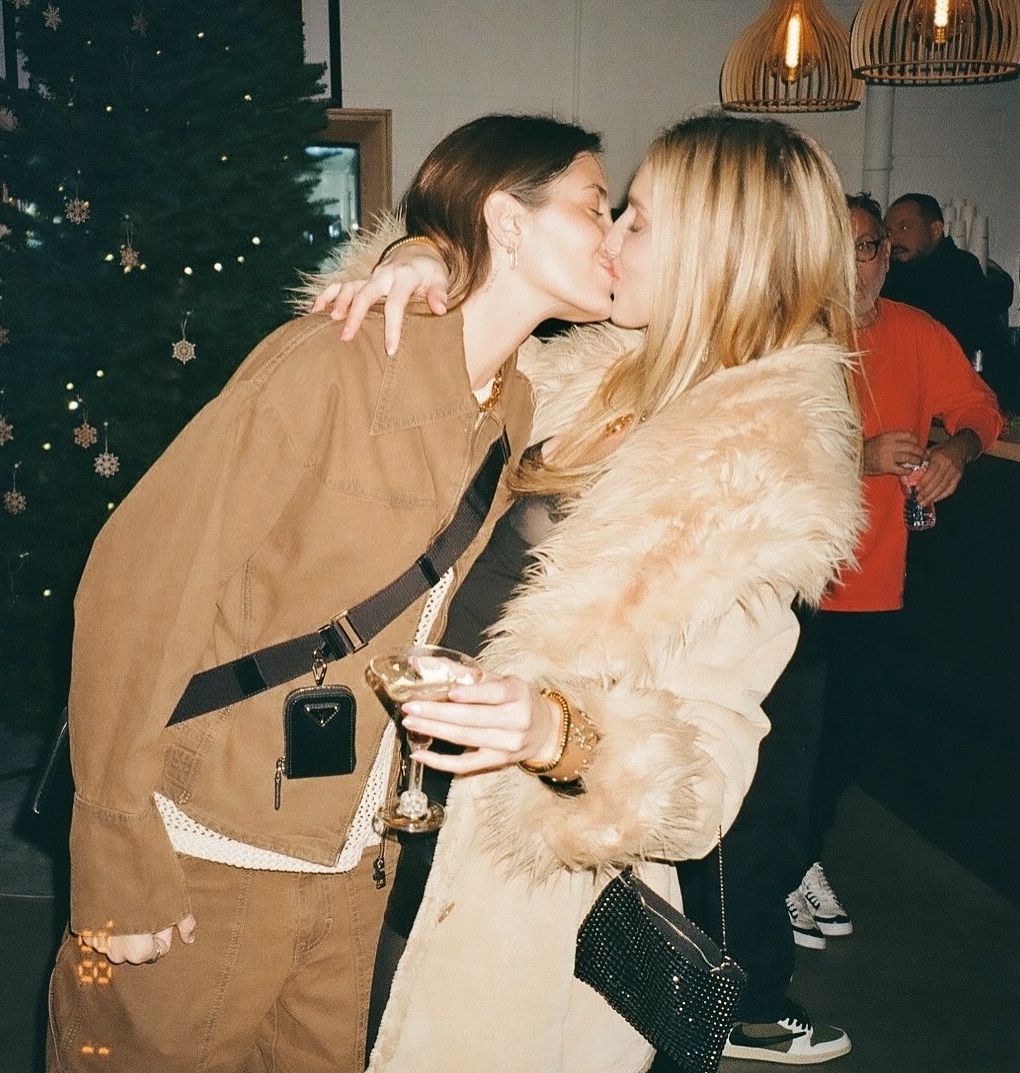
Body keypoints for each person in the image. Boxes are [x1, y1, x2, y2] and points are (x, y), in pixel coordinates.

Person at [45, 113, 620, 1073]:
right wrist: (113, 850)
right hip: (205, 845)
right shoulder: (333, 360)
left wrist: (416, 254)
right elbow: (136, 589)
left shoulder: (511, 403)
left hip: (356, 854)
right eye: (596, 206)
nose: (612, 233)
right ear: (507, 221)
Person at [311, 112, 866, 1073]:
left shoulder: (756, 480)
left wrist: (554, 732)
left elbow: (702, 788)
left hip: (509, 894)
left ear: (717, 257)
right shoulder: (593, 372)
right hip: (384, 816)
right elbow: (414, 359)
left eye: (637, 220)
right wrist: (424, 258)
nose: (609, 237)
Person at [795, 193, 1003, 916]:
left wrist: (956, 450)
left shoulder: (918, 332)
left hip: (875, 581)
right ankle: (776, 873)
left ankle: (798, 859)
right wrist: (860, 456)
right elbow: (757, 455)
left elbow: (980, 408)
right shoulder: (789, 341)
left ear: (885, 255)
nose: (854, 267)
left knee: (846, 742)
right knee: (788, 746)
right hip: (794, 581)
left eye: (865, 247)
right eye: (839, 249)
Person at [882, 192, 1019, 412]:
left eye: (904, 228)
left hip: (967, 401)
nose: (894, 239)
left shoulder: (959, 272)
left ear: (935, 230)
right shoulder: (892, 277)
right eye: (888, 232)